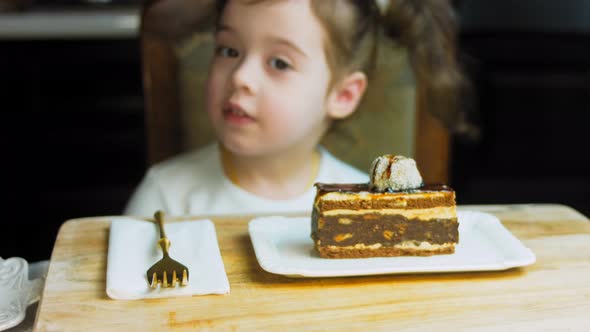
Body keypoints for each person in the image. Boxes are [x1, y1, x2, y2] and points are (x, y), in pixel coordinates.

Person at [125, 0, 462, 217]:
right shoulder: (165, 198)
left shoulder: (361, 204)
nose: (241, 77)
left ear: (343, 95)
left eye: (279, 63)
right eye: (229, 51)